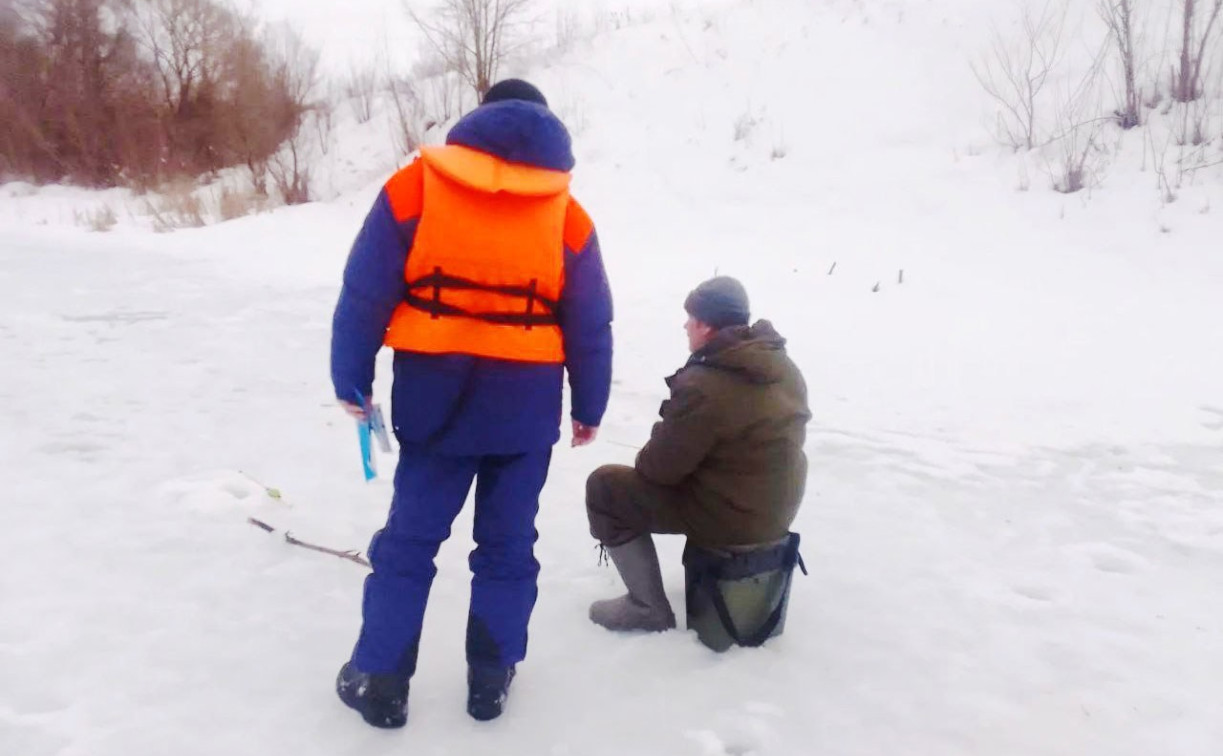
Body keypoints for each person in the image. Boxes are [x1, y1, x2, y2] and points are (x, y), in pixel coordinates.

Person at [329, 79, 613, 728]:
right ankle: (490, 679)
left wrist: (352, 379)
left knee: (408, 543)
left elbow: (364, 291)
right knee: (507, 546)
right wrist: (589, 406)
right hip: (525, 408)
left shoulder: (415, 188)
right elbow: (590, 321)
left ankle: (380, 681)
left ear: (479, 120)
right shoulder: (567, 215)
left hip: (436, 398)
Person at [584, 276, 809, 632]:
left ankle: (647, 608)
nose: (685, 326)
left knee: (605, 488)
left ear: (705, 325)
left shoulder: (706, 384)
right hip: (777, 508)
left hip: (734, 517)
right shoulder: (782, 366)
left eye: (690, 318)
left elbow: (658, 469)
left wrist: (663, 433)